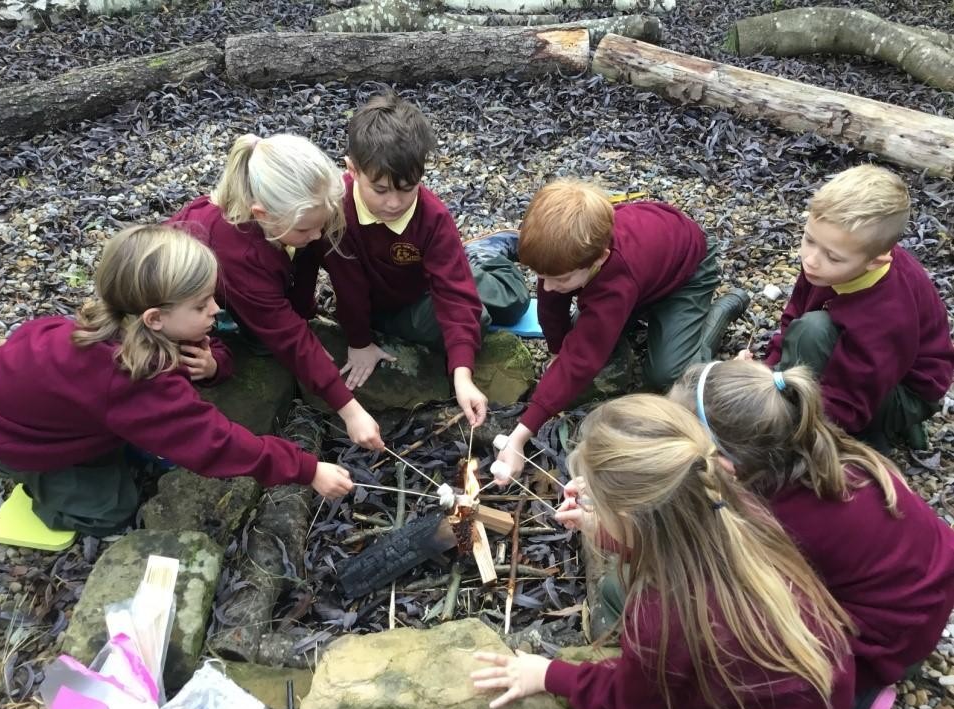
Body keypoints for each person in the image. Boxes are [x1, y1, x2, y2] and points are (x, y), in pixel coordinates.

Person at [472, 394, 855, 709]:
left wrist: (547, 674)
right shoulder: (734, 506)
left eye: (598, 503)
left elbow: (629, 705)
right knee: (613, 591)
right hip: (820, 691)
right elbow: (668, 538)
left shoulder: (662, 616)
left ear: (633, 520)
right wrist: (603, 526)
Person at [0, 225, 354, 536]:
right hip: (16, 441)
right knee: (111, 514)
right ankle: (38, 484)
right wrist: (308, 469)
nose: (216, 310)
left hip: (43, 408)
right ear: (155, 318)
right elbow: (215, 443)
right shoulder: (129, 378)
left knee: (154, 449)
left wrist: (215, 365)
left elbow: (209, 346)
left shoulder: (131, 323)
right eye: (202, 305)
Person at [669, 359, 954, 709]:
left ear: (725, 469)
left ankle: (855, 701)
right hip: (925, 605)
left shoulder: (775, 521)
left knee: (734, 642)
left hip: (885, 646)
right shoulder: (815, 446)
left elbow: (718, 584)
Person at [494, 178, 747, 481]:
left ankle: (718, 314)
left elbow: (581, 360)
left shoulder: (616, 280)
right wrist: (557, 350)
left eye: (558, 279)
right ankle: (649, 313)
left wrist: (522, 433)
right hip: (647, 272)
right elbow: (552, 306)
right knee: (584, 332)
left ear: (599, 259)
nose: (546, 287)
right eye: (541, 276)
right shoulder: (568, 258)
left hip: (688, 272)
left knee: (667, 373)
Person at [321, 88, 529, 426]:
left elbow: (455, 295)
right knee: (480, 322)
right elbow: (346, 282)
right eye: (381, 190)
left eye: (407, 189)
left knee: (514, 303)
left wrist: (462, 375)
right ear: (353, 170)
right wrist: (359, 341)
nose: (393, 203)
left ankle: (482, 254)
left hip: (428, 279)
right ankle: (469, 257)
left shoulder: (432, 217)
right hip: (395, 302)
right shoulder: (334, 210)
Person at [167, 133, 384, 449]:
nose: (317, 235)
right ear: (261, 214)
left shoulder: (295, 216)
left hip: (243, 287)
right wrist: (351, 411)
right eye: (305, 229)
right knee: (262, 347)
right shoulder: (241, 257)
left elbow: (311, 261)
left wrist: (307, 316)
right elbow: (289, 339)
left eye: (321, 225)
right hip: (180, 310)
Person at [755, 164, 954, 451]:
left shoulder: (887, 312)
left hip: (904, 390)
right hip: (871, 362)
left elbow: (856, 398)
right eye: (809, 239)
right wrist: (766, 372)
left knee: (813, 331)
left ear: (875, 261)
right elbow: (793, 315)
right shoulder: (826, 261)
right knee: (806, 329)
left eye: (832, 257)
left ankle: (865, 439)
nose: (810, 259)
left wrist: (803, 428)